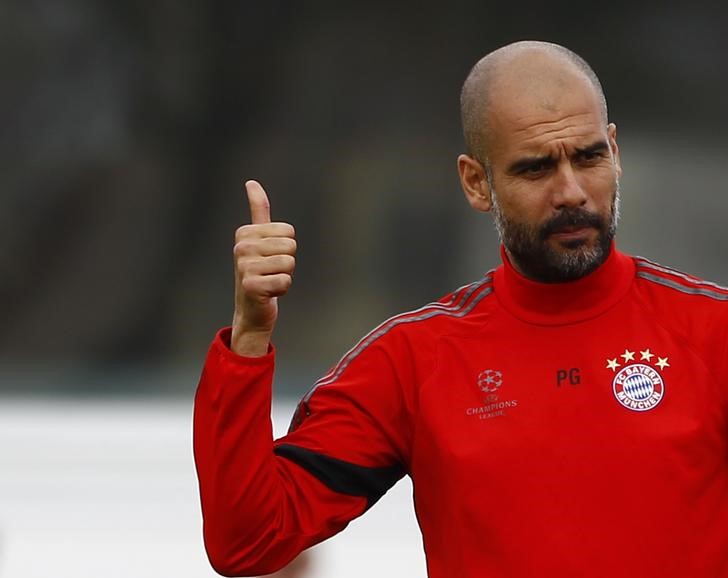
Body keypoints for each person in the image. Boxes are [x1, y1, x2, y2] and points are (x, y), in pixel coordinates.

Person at [193, 40, 728, 577]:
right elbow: (247, 540)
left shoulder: (713, 332)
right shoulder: (412, 361)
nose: (571, 192)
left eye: (588, 157)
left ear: (614, 152)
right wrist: (248, 340)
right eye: (536, 169)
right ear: (477, 183)